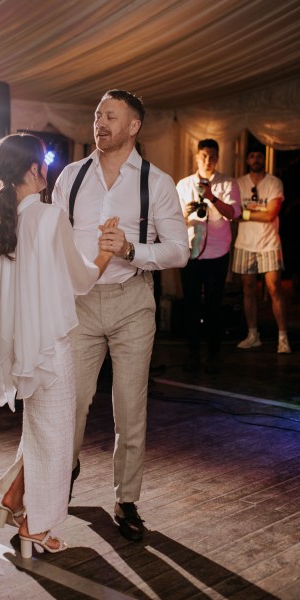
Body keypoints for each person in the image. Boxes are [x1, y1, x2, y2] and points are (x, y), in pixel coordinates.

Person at [0, 133, 117, 557]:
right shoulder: (50, 217)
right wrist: (105, 250)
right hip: (49, 346)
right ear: (34, 169)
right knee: (56, 437)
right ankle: (36, 525)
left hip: (15, 345)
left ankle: (13, 498)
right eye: (44, 161)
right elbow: (82, 281)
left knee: (41, 428)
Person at [52, 89, 189, 541]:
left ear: (133, 127)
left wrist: (131, 249)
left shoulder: (157, 183)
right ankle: (60, 475)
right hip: (81, 303)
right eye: (96, 115)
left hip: (133, 301)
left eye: (111, 116)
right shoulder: (70, 177)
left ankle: (127, 500)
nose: (100, 122)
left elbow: (179, 252)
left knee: (130, 408)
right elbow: (54, 243)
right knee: (69, 402)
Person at [176, 139, 241, 373]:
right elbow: (171, 220)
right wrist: (183, 213)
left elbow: (234, 213)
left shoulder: (227, 183)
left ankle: (214, 353)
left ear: (218, 158)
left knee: (214, 304)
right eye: (204, 156)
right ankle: (192, 352)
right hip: (190, 252)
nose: (208, 161)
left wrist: (212, 197)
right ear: (196, 157)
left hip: (217, 252)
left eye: (212, 156)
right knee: (191, 304)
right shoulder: (183, 185)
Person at [233, 144, 291, 354]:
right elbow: (233, 213)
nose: (256, 159)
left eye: (259, 155)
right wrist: (254, 211)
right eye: (252, 156)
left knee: (275, 288)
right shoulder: (239, 183)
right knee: (248, 290)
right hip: (244, 244)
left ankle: (283, 338)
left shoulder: (274, 182)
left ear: (263, 159)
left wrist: (247, 212)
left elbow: (270, 215)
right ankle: (253, 335)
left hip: (268, 243)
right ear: (248, 160)